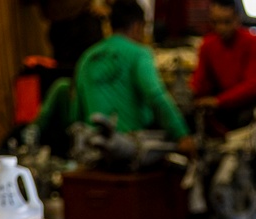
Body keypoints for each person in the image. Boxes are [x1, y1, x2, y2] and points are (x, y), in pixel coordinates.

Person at [73, 0, 194, 152]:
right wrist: (182, 135)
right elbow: (156, 97)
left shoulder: (87, 57)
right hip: (128, 149)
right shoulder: (139, 53)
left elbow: (76, 113)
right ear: (138, 27)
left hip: (91, 147)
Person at [191, 0, 256, 134]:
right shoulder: (208, 44)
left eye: (226, 22)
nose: (221, 27)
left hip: (247, 106)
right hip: (222, 106)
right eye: (216, 22)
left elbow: (253, 86)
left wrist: (218, 101)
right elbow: (200, 79)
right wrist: (190, 93)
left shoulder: (253, 42)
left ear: (237, 19)